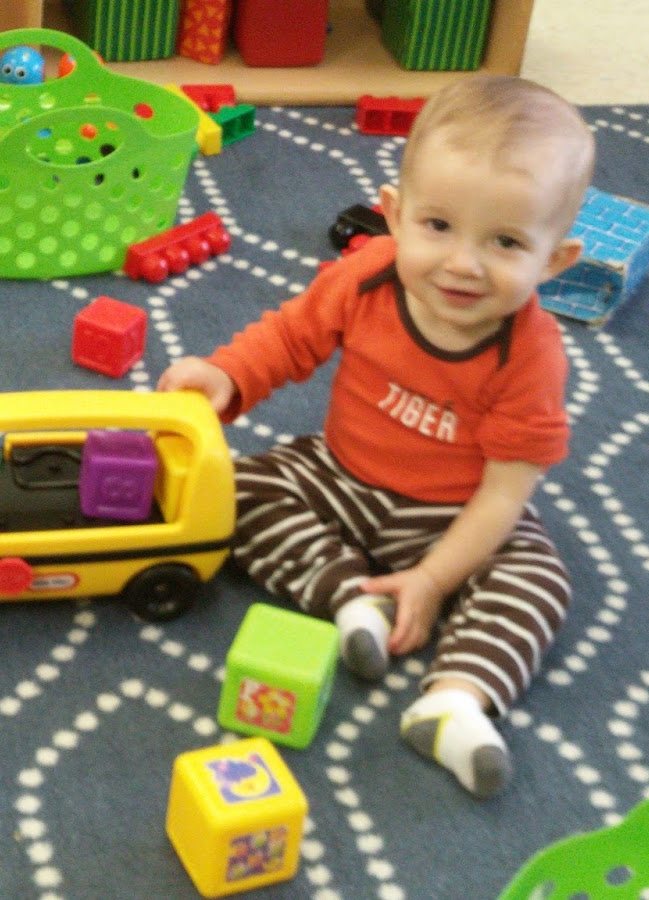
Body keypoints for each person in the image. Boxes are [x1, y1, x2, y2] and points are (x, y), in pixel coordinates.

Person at [158, 74, 594, 798]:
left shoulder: (532, 358)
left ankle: (455, 701)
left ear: (553, 261)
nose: (463, 263)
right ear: (394, 215)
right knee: (229, 490)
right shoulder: (365, 278)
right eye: (439, 226)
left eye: (506, 241)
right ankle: (355, 599)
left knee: (538, 578)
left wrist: (435, 578)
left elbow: (502, 498)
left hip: (453, 514)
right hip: (337, 475)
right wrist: (227, 375)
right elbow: (290, 339)